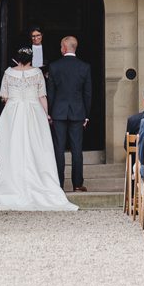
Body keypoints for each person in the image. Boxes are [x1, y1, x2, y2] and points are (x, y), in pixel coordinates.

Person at [0, 49, 77, 211]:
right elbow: (42, 96)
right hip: (33, 110)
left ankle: (9, 185)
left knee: (11, 145)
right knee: (37, 145)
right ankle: (41, 183)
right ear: (31, 59)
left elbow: (5, 97)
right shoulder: (37, 73)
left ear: (18, 59)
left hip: (13, 110)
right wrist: (46, 115)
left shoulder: (9, 73)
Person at [47, 34, 94, 193]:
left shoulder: (54, 67)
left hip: (58, 112)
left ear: (65, 48)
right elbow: (87, 93)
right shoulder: (84, 67)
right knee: (76, 149)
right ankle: (77, 184)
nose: (60, 49)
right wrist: (86, 114)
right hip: (78, 112)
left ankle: (58, 184)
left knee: (59, 149)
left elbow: (51, 93)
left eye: (61, 46)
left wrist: (50, 113)